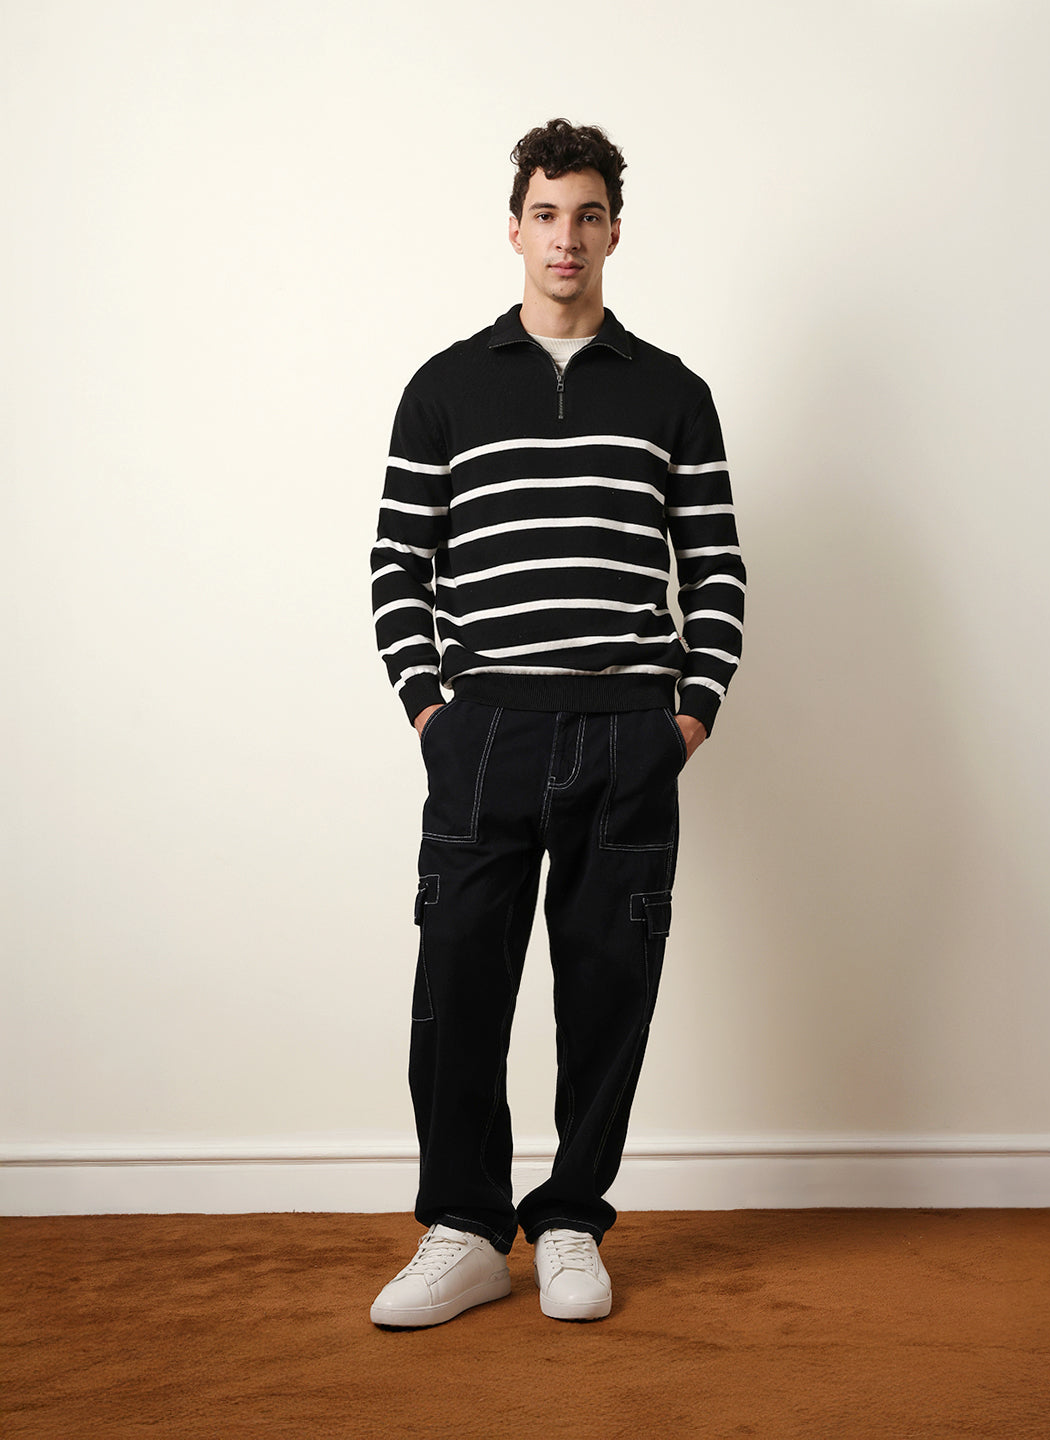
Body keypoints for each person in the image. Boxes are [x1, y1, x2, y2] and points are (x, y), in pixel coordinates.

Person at [368, 118, 745, 1327]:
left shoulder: (673, 394)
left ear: (615, 230)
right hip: (484, 732)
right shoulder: (444, 387)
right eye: (546, 214)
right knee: (457, 987)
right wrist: (432, 712)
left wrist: (686, 719)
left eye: (587, 215)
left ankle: (573, 1217)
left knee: (608, 990)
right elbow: (398, 564)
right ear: (514, 228)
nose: (565, 237)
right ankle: (465, 1228)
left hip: (629, 732)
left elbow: (717, 571)